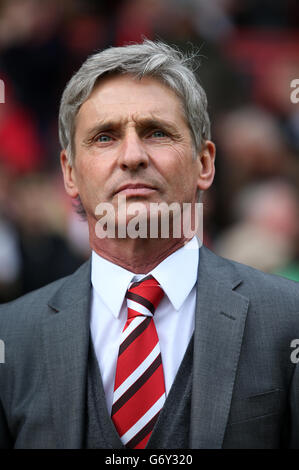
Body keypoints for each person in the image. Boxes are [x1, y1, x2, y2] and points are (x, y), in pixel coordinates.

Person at [0, 40, 299, 450]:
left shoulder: (290, 321)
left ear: (205, 164)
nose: (132, 156)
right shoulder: (10, 338)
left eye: (157, 132)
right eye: (105, 137)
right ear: (69, 173)